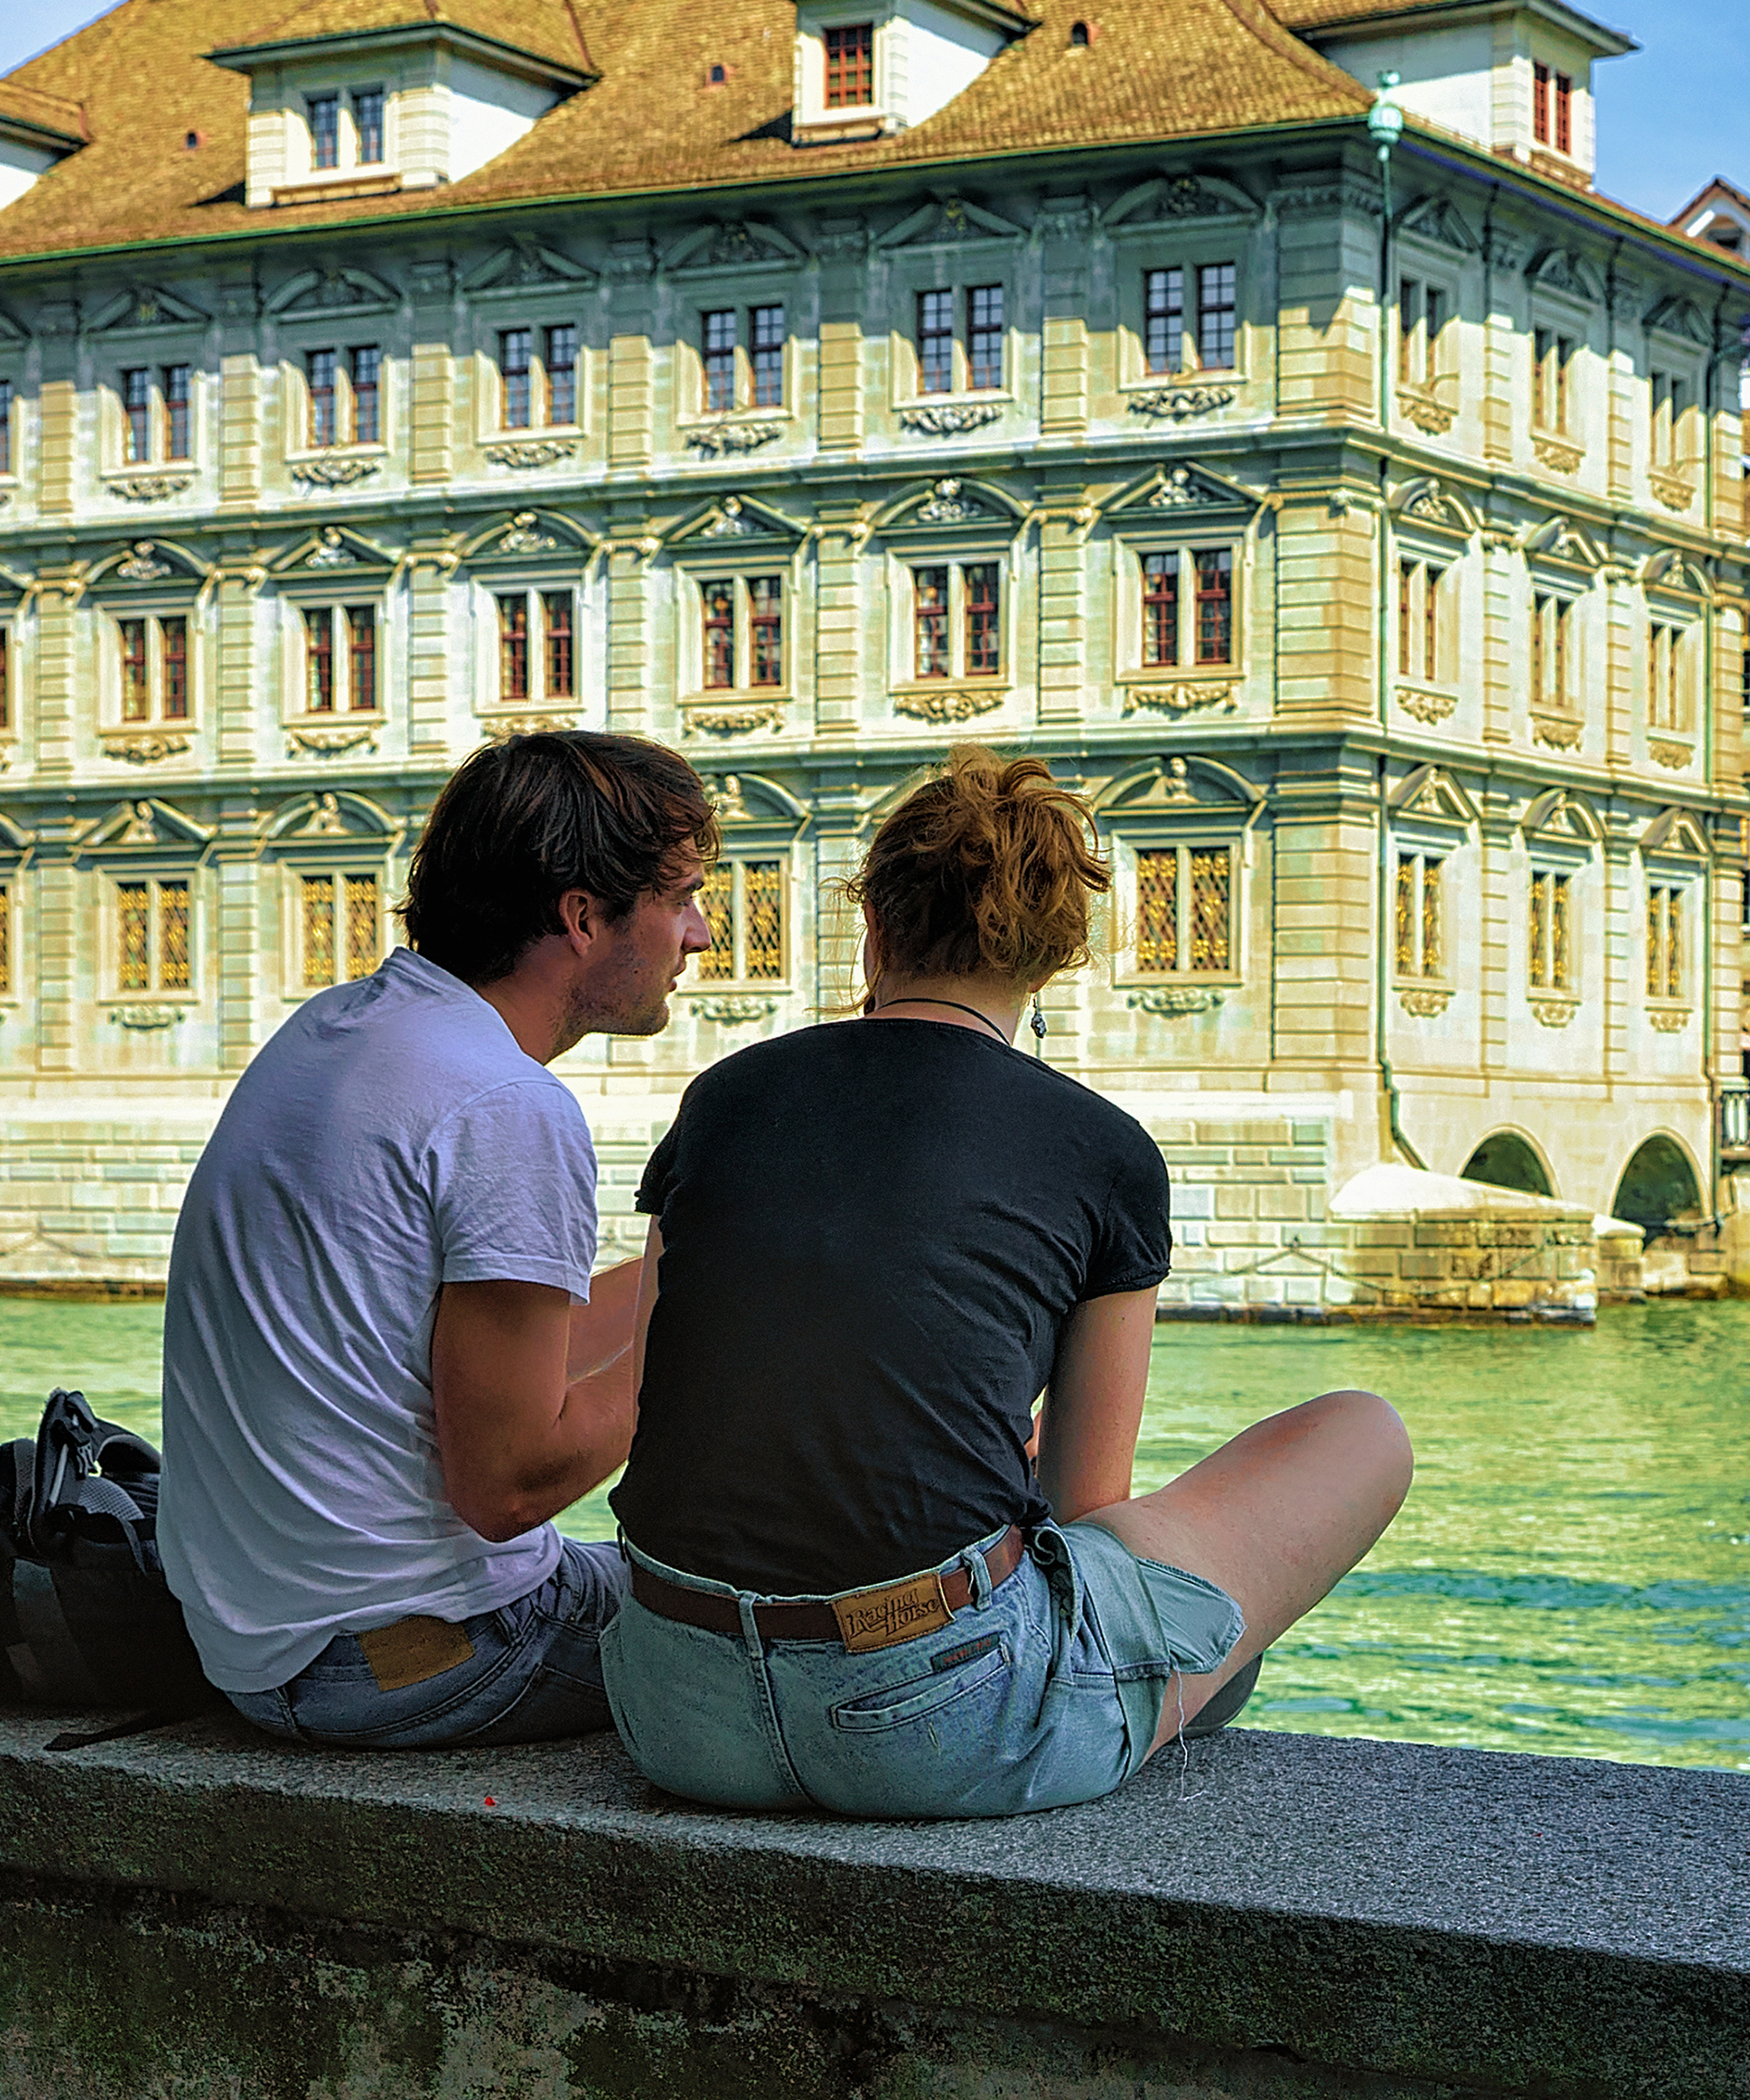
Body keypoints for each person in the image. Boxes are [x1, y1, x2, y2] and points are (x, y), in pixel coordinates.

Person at [601, 747, 1411, 1817]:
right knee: (1362, 1432)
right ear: (1049, 961)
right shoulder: (1103, 1149)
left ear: (874, 927)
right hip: (931, 1726)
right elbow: (1089, 1505)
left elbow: (674, 1395)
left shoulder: (723, 1098)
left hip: (671, 1707)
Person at [157, 730, 716, 1750]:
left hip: (255, 1641)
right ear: (583, 917)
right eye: (678, 898)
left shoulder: (338, 1028)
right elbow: (506, 1486)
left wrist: (719, 1273)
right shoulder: (507, 1103)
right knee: (783, 1644)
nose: (702, 933)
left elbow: (492, 1347)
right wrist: (706, 1354)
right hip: (410, 1659)